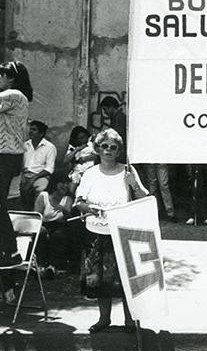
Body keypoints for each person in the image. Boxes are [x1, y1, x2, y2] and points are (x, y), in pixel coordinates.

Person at [74, 128, 148, 333]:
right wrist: (90, 209)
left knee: (125, 279)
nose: (108, 150)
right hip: (95, 233)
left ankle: (130, 321)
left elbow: (145, 199)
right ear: (97, 149)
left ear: (119, 150)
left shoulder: (127, 171)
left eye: (113, 147)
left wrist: (134, 184)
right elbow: (78, 202)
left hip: (121, 232)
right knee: (98, 280)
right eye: (104, 146)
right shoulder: (90, 174)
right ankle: (104, 319)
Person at [0, 61, 33, 275]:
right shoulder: (15, 97)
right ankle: (9, 250)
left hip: (5, 156)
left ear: (10, 78)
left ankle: (11, 251)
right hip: (9, 156)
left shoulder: (13, 94)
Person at [33, 172, 76, 276]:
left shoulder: (68, 199)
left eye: (67, 183)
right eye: (62, 183)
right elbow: (36, 216)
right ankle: (41, 265)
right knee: (41, 234)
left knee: (59, 235)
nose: (65, 186)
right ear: (55, 184)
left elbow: (68, 218)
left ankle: (53, 266)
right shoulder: (43, 196)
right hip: (44, 224)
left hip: (60, 225)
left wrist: (64, 210)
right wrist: (42, 227)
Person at [20, 120, 57, 211]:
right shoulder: (25, 145)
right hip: (24, 174)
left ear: (41, 133)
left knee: (40, 188)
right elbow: (20, 164)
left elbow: (49, 168)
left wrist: (33, 178)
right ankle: (21, 213)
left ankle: (36, 213)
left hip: (40, 176)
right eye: (30, 129)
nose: (30, 131)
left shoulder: (50, 147)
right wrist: (22, 175)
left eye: (34, 130)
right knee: (15, 189)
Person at [63, 126, 98, 194]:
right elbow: (65, 161)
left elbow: (98, 155)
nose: (84, 139)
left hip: (90, 169)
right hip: (78, 171)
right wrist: (77, 150)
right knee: (73, 184)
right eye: (80, 138)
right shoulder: (73, 147)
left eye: (84, 136)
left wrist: (85, 158)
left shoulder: (91, 144)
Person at [99, 96, 127, 163]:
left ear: (111, 107)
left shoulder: (119, 118)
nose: (105, 112)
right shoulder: (116, 117)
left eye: (105, 109)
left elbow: (117, 137)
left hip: (120, 155)